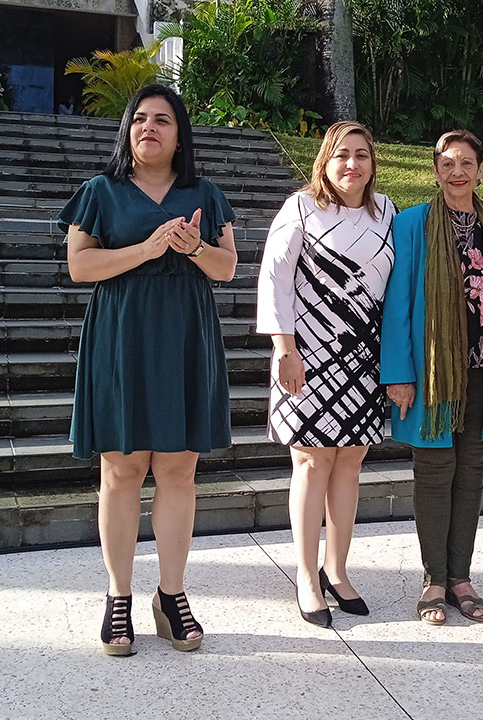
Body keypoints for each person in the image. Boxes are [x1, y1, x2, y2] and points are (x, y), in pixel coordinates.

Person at [59, 84, 238, 655]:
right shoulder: (100, 192)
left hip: (184, 334)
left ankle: (172, 595)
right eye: (139, 119)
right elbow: (80, 266)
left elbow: (228, 267)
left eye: (163, 120)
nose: (149, 128)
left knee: (180, 468)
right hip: (123, 335)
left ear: (180, 134)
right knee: (122, 468)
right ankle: (118, 598)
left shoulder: (205, 194)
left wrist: (189, 249)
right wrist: (147, 248)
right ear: (127, 131)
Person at [380, 129, 483, 625]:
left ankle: (461, 577)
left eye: (466, 163)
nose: (457, 171)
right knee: (434, 471)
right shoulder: (412, 223)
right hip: (433, 373)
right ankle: (434, 579)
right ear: (436, 171)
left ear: (481, 170)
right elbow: (397, 301)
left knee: (472, 472)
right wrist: (399, 373)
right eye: (447, 163)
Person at [256, 121, 395, 627]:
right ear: (324, 161)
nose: (352, 164)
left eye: (361, 154)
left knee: (351, 462)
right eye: (342, 155)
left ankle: (337, 569)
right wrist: (284, 348)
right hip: (306, 355)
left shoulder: (388, 213)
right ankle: (307, 578)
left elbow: (395, 288)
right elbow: (274, 278)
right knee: (311, 463)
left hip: (365, 358)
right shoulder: (300, 207)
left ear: (373, 164)